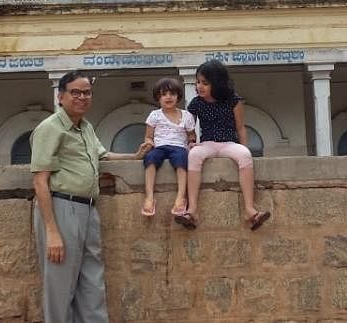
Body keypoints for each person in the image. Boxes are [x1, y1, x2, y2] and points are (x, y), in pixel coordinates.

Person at [30, 71, 148, 323]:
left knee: (93, 283)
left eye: (86, 92)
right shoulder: (50, 128)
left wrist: (134, 157)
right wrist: (52, 231)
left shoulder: (86, 127)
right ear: (60, 96)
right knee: (60, 286)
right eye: (75, 92)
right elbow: (40, 180)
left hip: (88, 209)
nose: (82, 97)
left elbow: (102, 156)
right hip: (62, 207)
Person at [174, 59, 271, 231]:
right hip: (207, 143)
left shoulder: (233, 100)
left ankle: (250, 210)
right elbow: (189, 128)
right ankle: (192, 211)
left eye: (205, 83)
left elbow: (240, 127)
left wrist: (244, 147)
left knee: (245, 155)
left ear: (217, 83)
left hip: (229, 143)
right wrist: (191, 142)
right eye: (198, 82)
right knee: (194, 155)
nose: (199, 86)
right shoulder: (196, 103)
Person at [140, 76, 196, 217]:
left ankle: (181, 197)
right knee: (151, 158)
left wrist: (192, 142)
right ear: (158, 98)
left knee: (181, 159)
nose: (168, 97)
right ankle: (149, 197)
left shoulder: (186, 115)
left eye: (172, 94)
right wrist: (149, 143)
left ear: (178, 96)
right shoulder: (155, 115)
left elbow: (191, 135)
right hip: (160, 146)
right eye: (164, 94)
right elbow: (148, 136)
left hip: (178, 147)